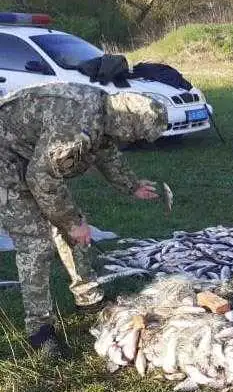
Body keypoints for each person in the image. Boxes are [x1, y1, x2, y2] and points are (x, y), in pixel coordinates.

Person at [0, 83, 167, 357]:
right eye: (135, 136)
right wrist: (72, 222)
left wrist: (131, 185)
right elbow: (41, 179)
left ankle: (88, 297)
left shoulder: (104, 111)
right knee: (36, 244)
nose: (132, 141)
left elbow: (105, 150)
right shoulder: (76, 127)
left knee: (72, 225)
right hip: (4, 163)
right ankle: (40, 330)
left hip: (30, 157)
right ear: (127, 125)